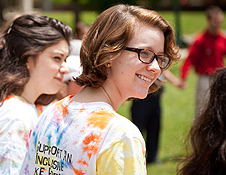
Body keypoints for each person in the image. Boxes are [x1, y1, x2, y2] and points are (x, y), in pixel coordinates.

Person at [20, 4, 179, 175]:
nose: (156, 67)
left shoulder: (51, 114)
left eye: (160, 58)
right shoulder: (119, 136)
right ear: (109, 53)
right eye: (145, 53)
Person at [0, 14, 72, 174]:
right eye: (57, 58)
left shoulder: (21, 109)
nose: (65, 68)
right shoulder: (14, 118)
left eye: (65, 59)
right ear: (27, 58)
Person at [177, 65, 226, 175]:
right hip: (204, 77)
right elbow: (189, 60)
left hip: (219, 76)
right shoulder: (198, 46)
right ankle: (200, 147)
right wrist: (183, 77)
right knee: (204, 115)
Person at [179, 5, 226, 117]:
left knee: (220, 111)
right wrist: (183, 77)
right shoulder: (200, 40)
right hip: (204, 80)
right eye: (216, 20)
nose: (218, 23)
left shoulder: (224, 39)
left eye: (220, 21)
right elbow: (189, 60)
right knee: (202, 112)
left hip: (220, 79)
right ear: (208, 20)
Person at [131, 70, 181, 164]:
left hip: (155, 97)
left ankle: (152, 157)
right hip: (140, 98)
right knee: (138, 129)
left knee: (154, 127)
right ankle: (135, 157)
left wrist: (175, 82)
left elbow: (164, 71)